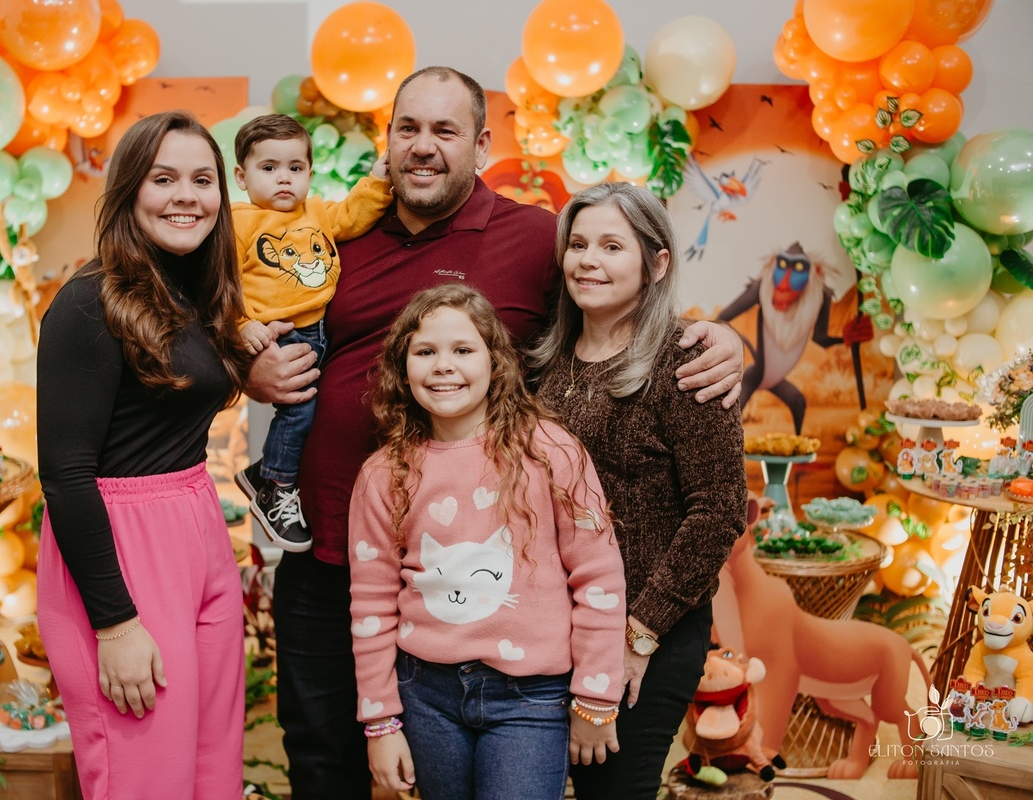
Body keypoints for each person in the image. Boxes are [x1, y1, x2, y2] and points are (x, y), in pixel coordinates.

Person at [247, 66, 745, 800]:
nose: (423, 146)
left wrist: (728, 340)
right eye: (408, 128)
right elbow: (254, 313)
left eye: (445, 131)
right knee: (322, 757)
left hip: (468, 570)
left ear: (482, 146)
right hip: (327, 545)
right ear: (387, 140)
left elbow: (617, 306)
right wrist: (248, 367)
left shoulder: (536, 239)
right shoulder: (335, 231)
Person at [36, 110, 251, 800]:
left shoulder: (191, 291)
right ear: (130, 189)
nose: (186, 196)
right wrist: (115, 624)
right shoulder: (87, 304)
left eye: (202, 180)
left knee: (212, 772)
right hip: (121, 544)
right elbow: (65, 476)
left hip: (197, 523)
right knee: (146, 780)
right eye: (164, 179)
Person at [350, 284, 626, 799]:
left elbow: (599, 578)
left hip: (531, 699)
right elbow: (371, 602)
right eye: (425, 352)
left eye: (463, 349)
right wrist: (381, 723)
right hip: (425, 694)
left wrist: (596, 698)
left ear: (495, 363)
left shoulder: (550, 451)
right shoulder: (383, 474)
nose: (443, 366)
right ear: (402, 369)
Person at [529, 182, 748, 799]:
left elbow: (718, 513)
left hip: (651, 630)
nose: (588, 261)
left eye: (611, 246)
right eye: (577, 245)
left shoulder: (687, 362)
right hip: (557, 626)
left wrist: (637, 634)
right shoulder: (544, 361)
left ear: (657, 263)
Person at [230, 114, 393, 551]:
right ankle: (276, 486)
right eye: (269, 168)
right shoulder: (240, 223)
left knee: (322, 411)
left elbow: (354, 216)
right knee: (298, 413)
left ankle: (263, 470)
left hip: (322, 329)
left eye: (295, 167)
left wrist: (378, 180)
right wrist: (242, 325)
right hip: (280, 334)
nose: (284, 178)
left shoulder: (316, 212)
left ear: (309, 172)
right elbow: (221, 285)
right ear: (242, 177)